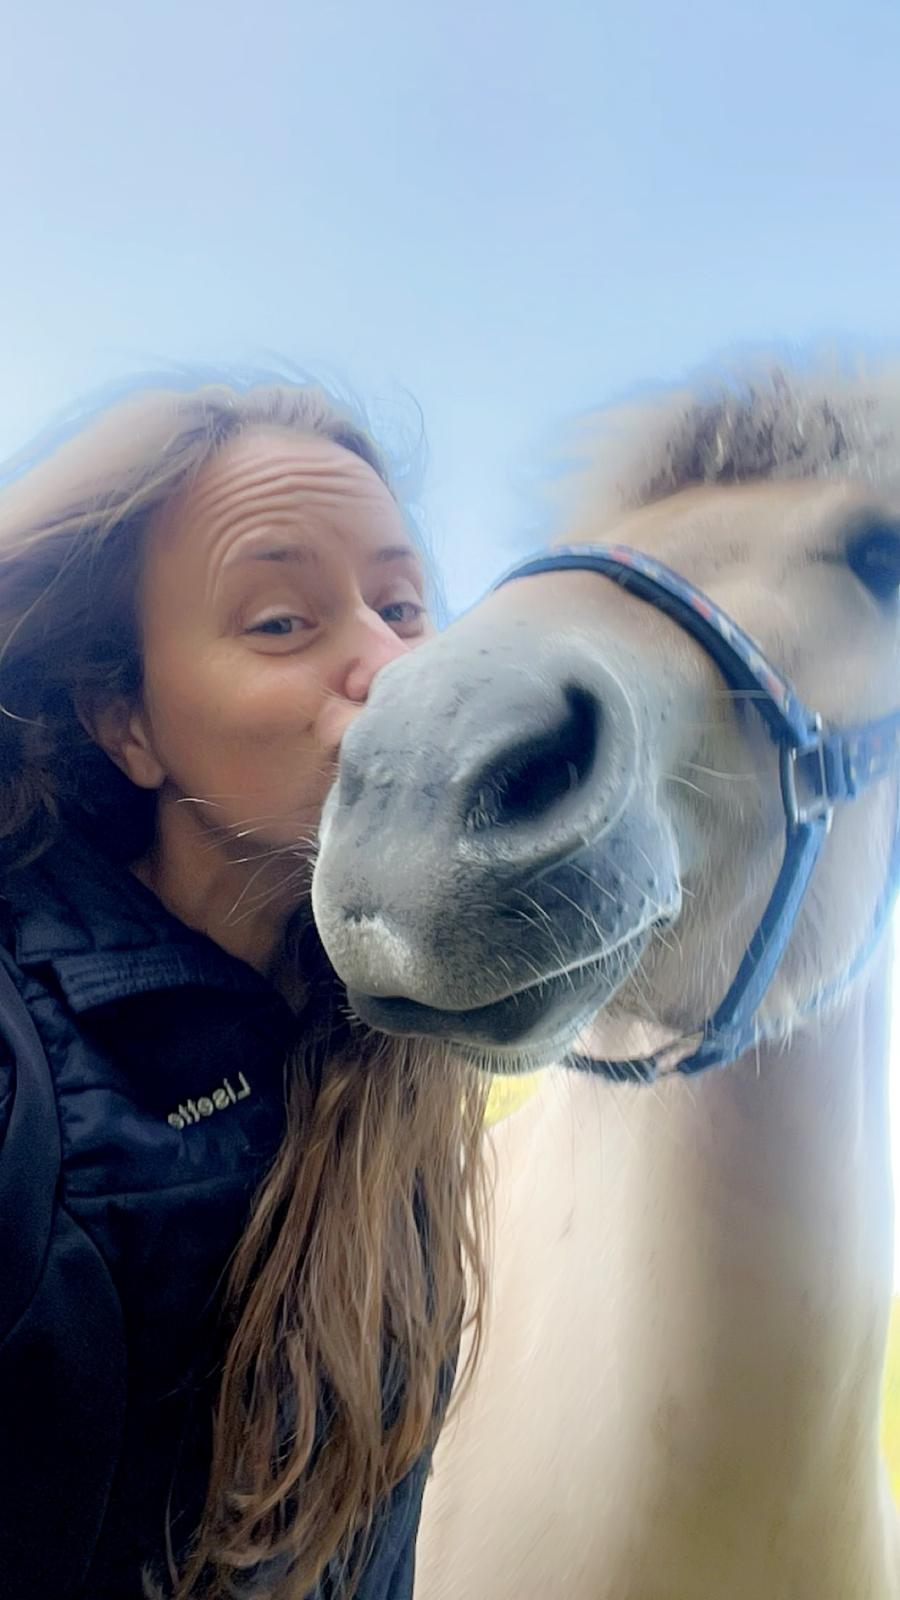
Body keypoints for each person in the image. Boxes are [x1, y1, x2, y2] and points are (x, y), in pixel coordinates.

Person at [0, 374, 489, 1599]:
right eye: (281, 620)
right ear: (129, 725)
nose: (390, 665)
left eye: (404, 607)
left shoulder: (404, 1058)